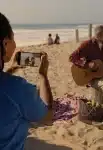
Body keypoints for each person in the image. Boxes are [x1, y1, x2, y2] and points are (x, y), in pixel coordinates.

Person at [0, 12, 53, 150]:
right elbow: (47, 116)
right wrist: (43, 76)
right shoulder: (16, 87)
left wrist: (11, 69)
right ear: (5, 43)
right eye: (13, 37)